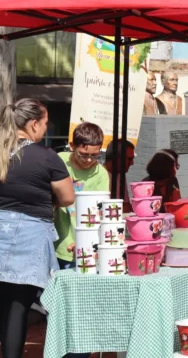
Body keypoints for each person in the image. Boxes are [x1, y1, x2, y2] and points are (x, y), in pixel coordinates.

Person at [0, 98, 75, 358]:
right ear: (33, 124)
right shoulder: (47, 157)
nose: (46, 128)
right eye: (45, 124)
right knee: (18, 306)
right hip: (30, 236)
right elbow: (67, 197)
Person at [55, 122, 110, 270]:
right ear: (72, 146)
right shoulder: (59, 160)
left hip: (84, 246)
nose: (88, 160)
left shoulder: (101, 175)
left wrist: (84, 242)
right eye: (83, 155)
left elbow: (101, 214)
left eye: (95, 155)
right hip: (55, 242)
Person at [104, 139, 136, 212]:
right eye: (129, 159)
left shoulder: (121, 174)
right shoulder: (100, 175)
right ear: (116, 157)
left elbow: (126, 205)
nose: (132, 163)